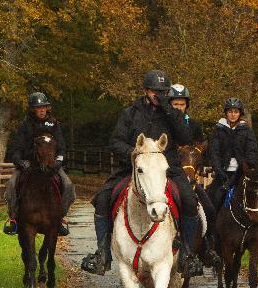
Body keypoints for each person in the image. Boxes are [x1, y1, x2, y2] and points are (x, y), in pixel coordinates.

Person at [80, 70, 204, 277]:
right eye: (156, 92)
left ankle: (187, 255)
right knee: (102, 198)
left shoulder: (173, 114)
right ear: (145, 91)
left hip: (168, 169)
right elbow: (115, 141)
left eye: (164, 92)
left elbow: (185, 139)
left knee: (190, 201)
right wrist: (132, 152)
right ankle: (102, 254)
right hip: (133, 168)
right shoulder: (130, 113)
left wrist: (169, 110)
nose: (160, 95)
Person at [3, 92, 75, 236]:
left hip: (50, 164)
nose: (42, 110)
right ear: (32, 109)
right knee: (11, 185)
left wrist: (59, 161)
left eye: (44, 107)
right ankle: (14, 219)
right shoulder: (24, 125)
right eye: (39, 108)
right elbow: (16, 148)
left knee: (68, 186)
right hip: (28, 164)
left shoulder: (54, 124)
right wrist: (20, 162)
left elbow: (61, 146)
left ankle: (60, 217)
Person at [206, 98, 258, 240]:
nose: (232, 115)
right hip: (223, 173)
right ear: (226, 113)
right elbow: (214, 152)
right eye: (230, 112)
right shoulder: (218, 130)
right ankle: (210, 233)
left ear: (240, 113)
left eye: (235, 112)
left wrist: (245, 169)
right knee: (212, 197)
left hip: (243, 173)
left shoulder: (247, 131)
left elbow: (252, 152)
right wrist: (219, 170)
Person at [167, 84, 218, 263]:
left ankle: (207, 249)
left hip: (189, 176)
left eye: (182, 104)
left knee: (210, 210)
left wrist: (195, 171)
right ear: (169, 104)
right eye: (175, 104)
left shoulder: (194, 125)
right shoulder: (164, 123)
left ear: (186, 105)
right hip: (168, 172)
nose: (179, 107)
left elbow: (198, 151)